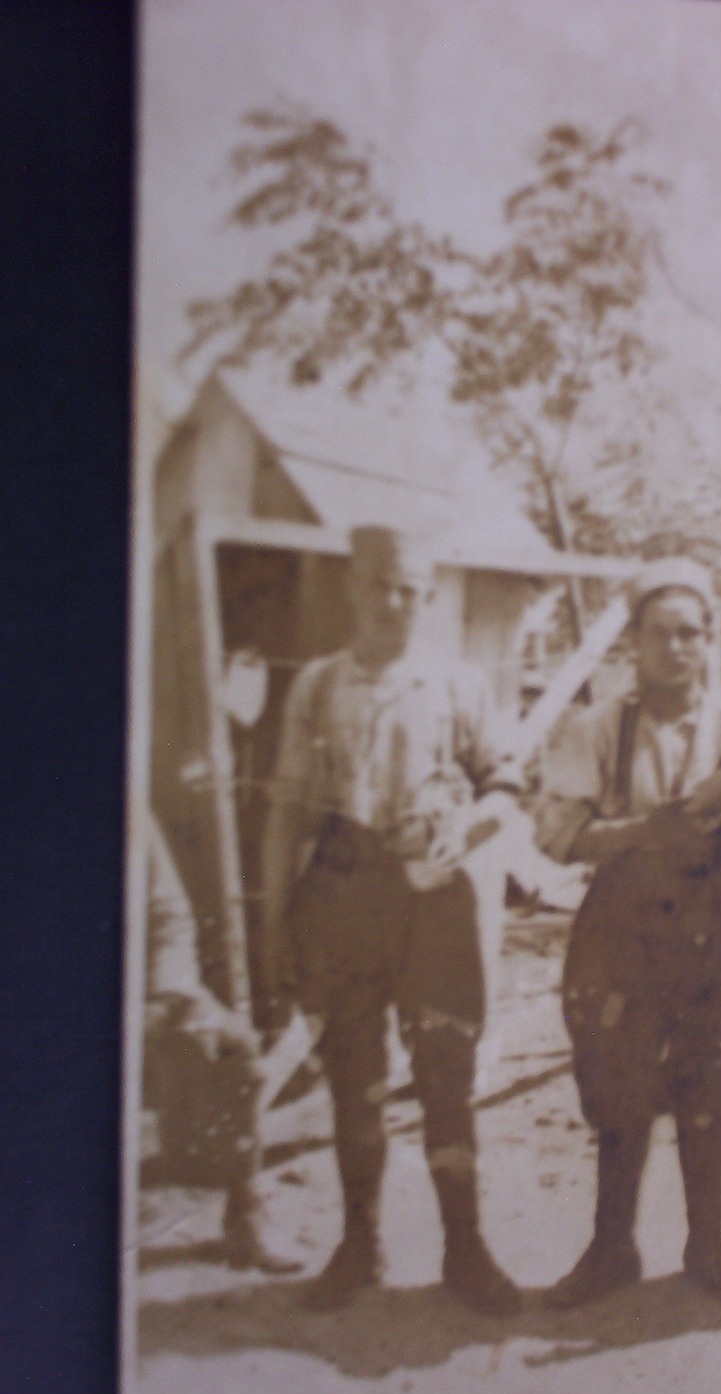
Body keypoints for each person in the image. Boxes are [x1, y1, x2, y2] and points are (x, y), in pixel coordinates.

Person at [260, 524, 523, 1315]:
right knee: (354, 1079)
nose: (396, 602)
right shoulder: (317, 686)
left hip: (433, 901)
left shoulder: (458, 684)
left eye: (412, 589)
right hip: (342, 895)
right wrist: (272, 924)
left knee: (445, 1074)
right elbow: (285, 818)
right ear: (353, 586)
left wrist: (466, 826)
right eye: (381, 584)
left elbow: (506, 786)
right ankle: (359, 1243)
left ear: (429, 595)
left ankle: (465, 1249)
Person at [536, 558, 721, 1307]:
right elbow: (560, 836)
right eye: (659, 634)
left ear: (709, 641)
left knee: (708, 1080)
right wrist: (651, 830)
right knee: (618, 1083)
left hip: (715, 930)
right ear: (633, 645)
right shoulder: (598, 727)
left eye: (690, 634)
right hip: (623, 926)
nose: (676, 648)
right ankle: (611, 1248)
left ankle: (707, 1245)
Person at [143, 813, 299, 1273]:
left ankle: (246, 1220)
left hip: (146, 997)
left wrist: (167, 994)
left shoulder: (130, 813)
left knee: (237, 1049)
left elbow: (168, 917)